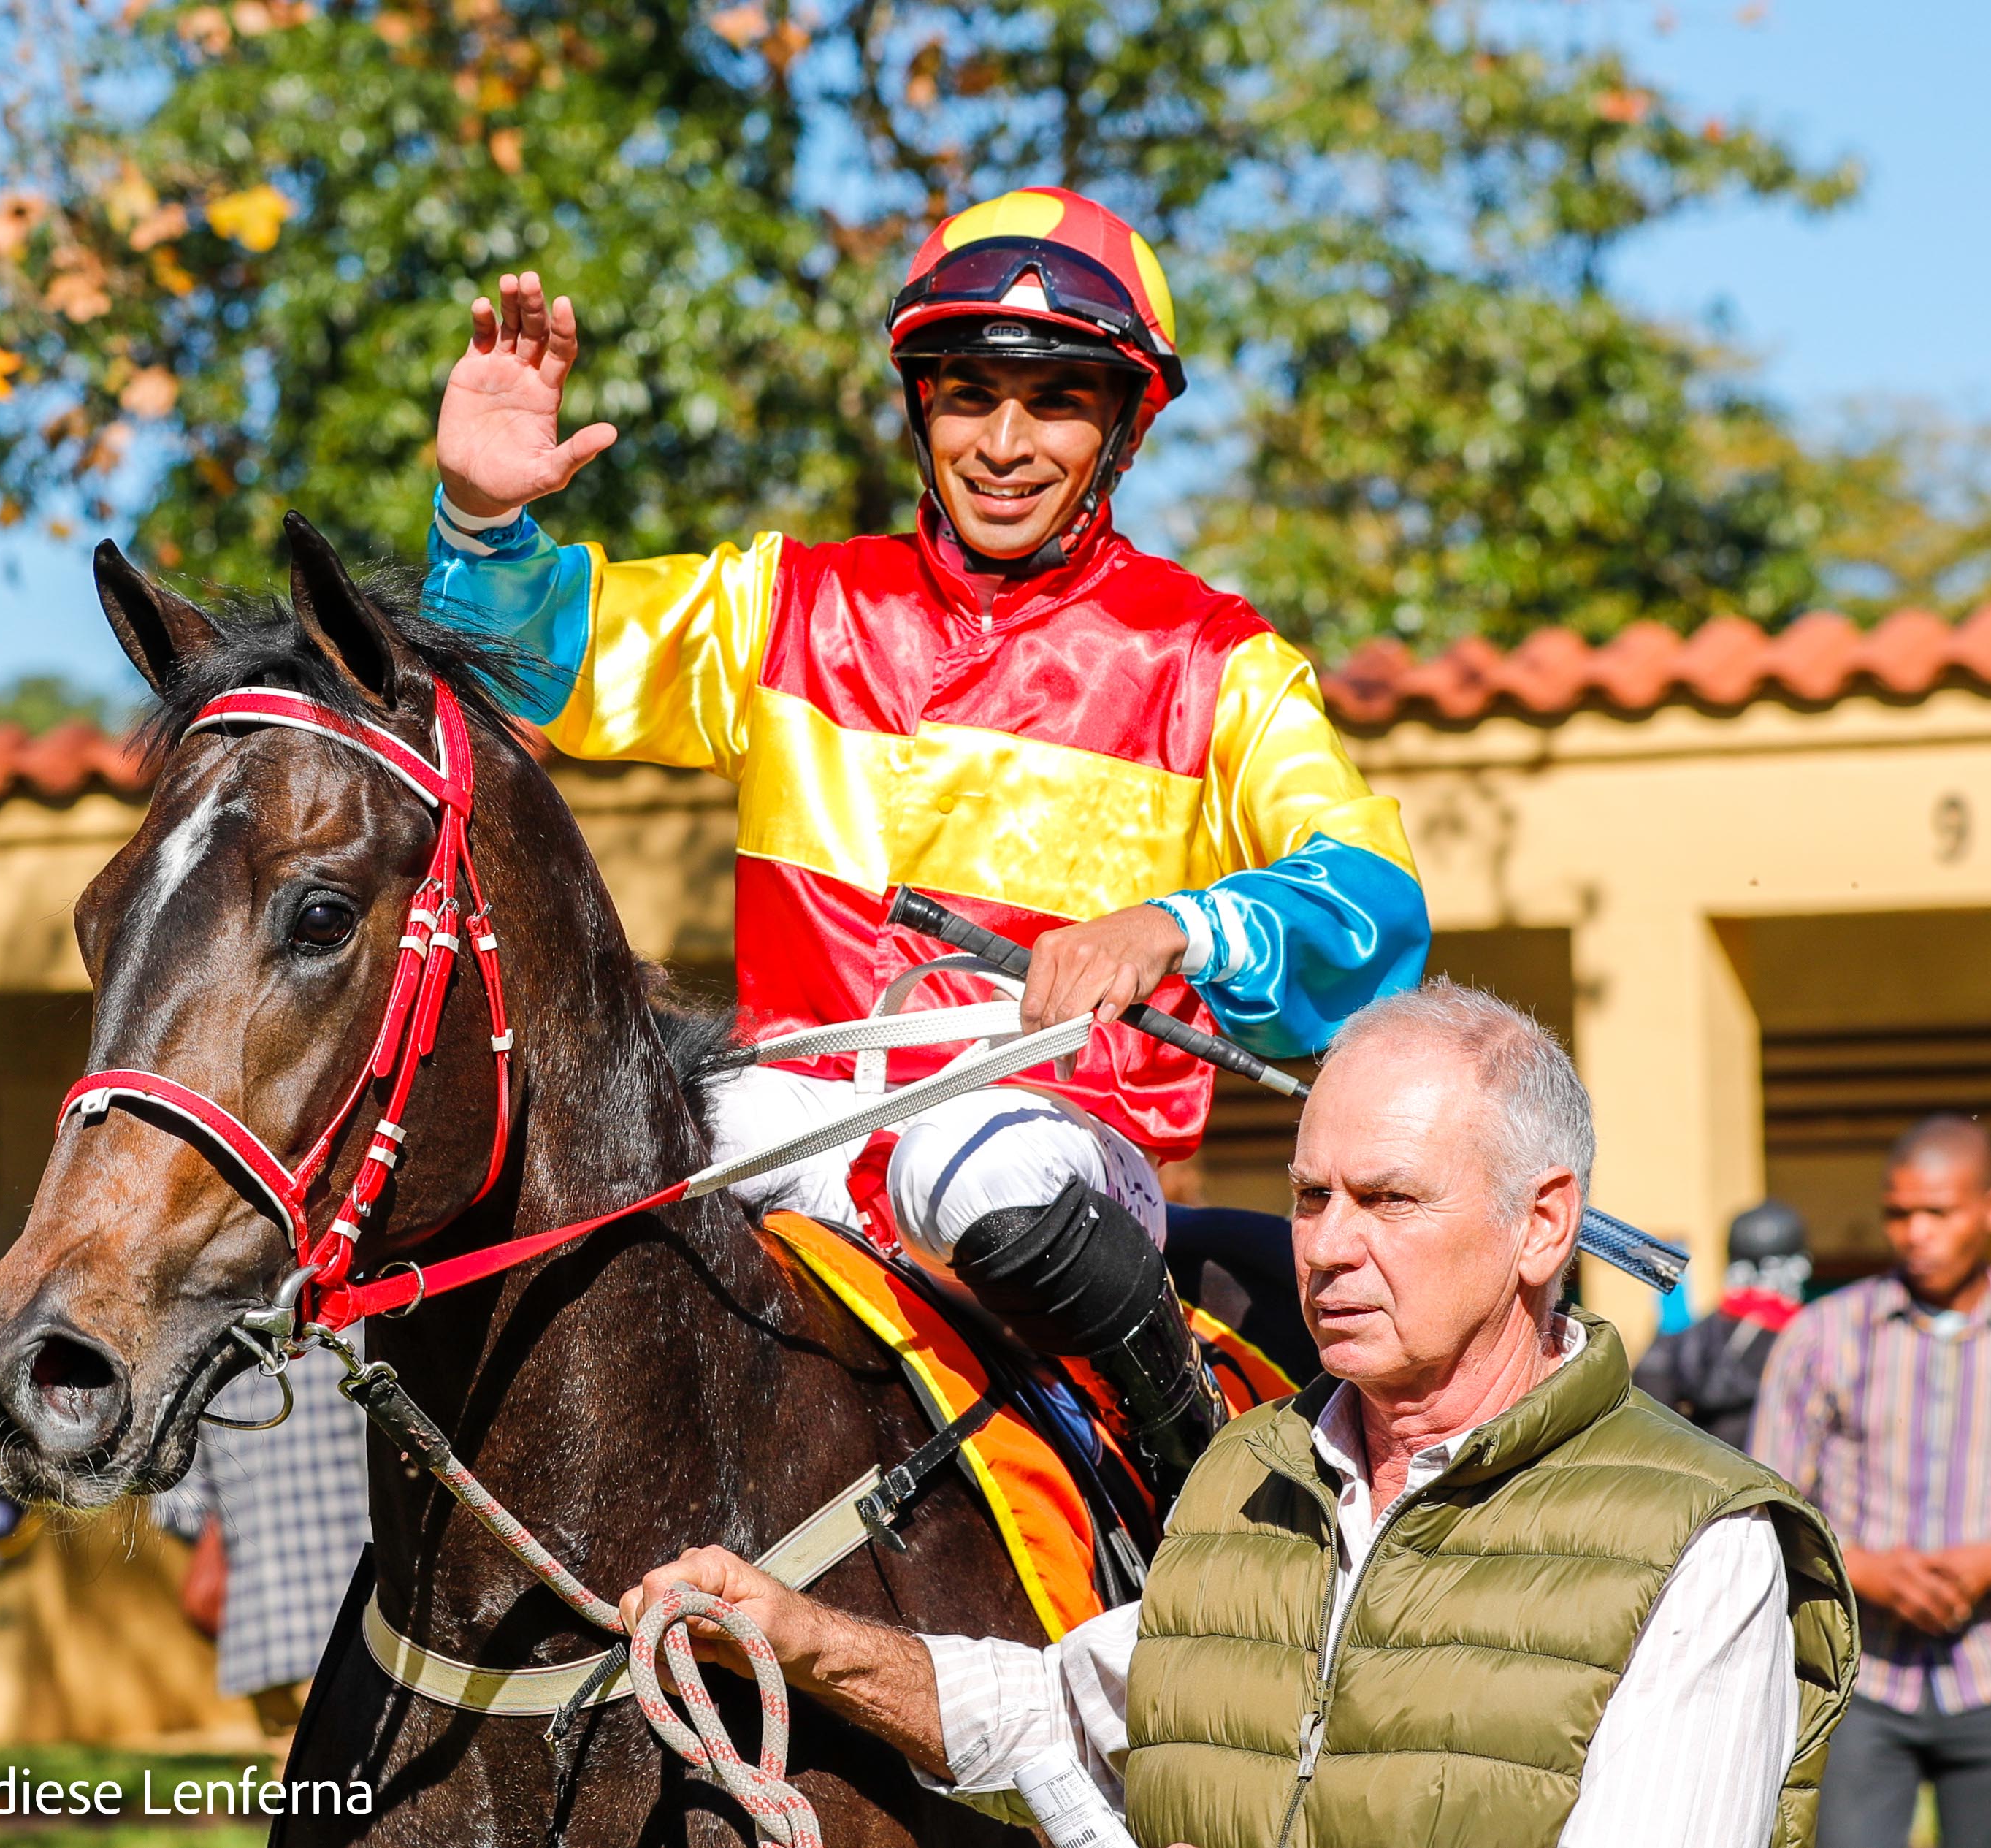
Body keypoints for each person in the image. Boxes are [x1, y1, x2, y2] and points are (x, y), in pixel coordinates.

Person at [427, 188, 1428, 1492]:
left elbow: (1372, 904)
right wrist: (482, 521)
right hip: (796, 1117)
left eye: (1056, 401)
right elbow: (525, 654)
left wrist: (1177, 924)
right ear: (921, 410)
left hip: (1052, 1152)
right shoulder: (784, 606)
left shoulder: (1215, 662)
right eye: (969, 397)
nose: (1004, 444)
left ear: (1125, 429)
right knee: (616, 1142)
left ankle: (1190, 1476)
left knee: (971, 1164)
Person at [617, 982, 1856, 1848]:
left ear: (1542, 1225)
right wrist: (797, 1634)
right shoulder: (1251, 1470)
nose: (1328, 1247)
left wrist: (1186, 929)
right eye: (1312, 1198)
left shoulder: (1703, 1546)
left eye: (1391, 1200)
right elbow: (1062, 1715)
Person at [1754, 1115, 1991, 1848]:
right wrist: (1860, 1569)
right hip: (1857, 1680)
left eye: (1937, 1213)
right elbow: (1767, 1509)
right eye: (1897, 1213)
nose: (1914, 1233)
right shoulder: (1820, 1337)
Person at [150, 1359, 370, 1738]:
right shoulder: (350, 1346)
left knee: (291, 1766)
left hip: (260, 1625)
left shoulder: (210, 1366)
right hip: (351, 1613)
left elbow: (178, 1511)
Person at [1635, 1198, 1811, 1449]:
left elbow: (1647, 1403)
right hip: (1774, 1469)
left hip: (1704, 1466)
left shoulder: (1689, 1335)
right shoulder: (1809, 1338)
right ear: (1797, 1265)